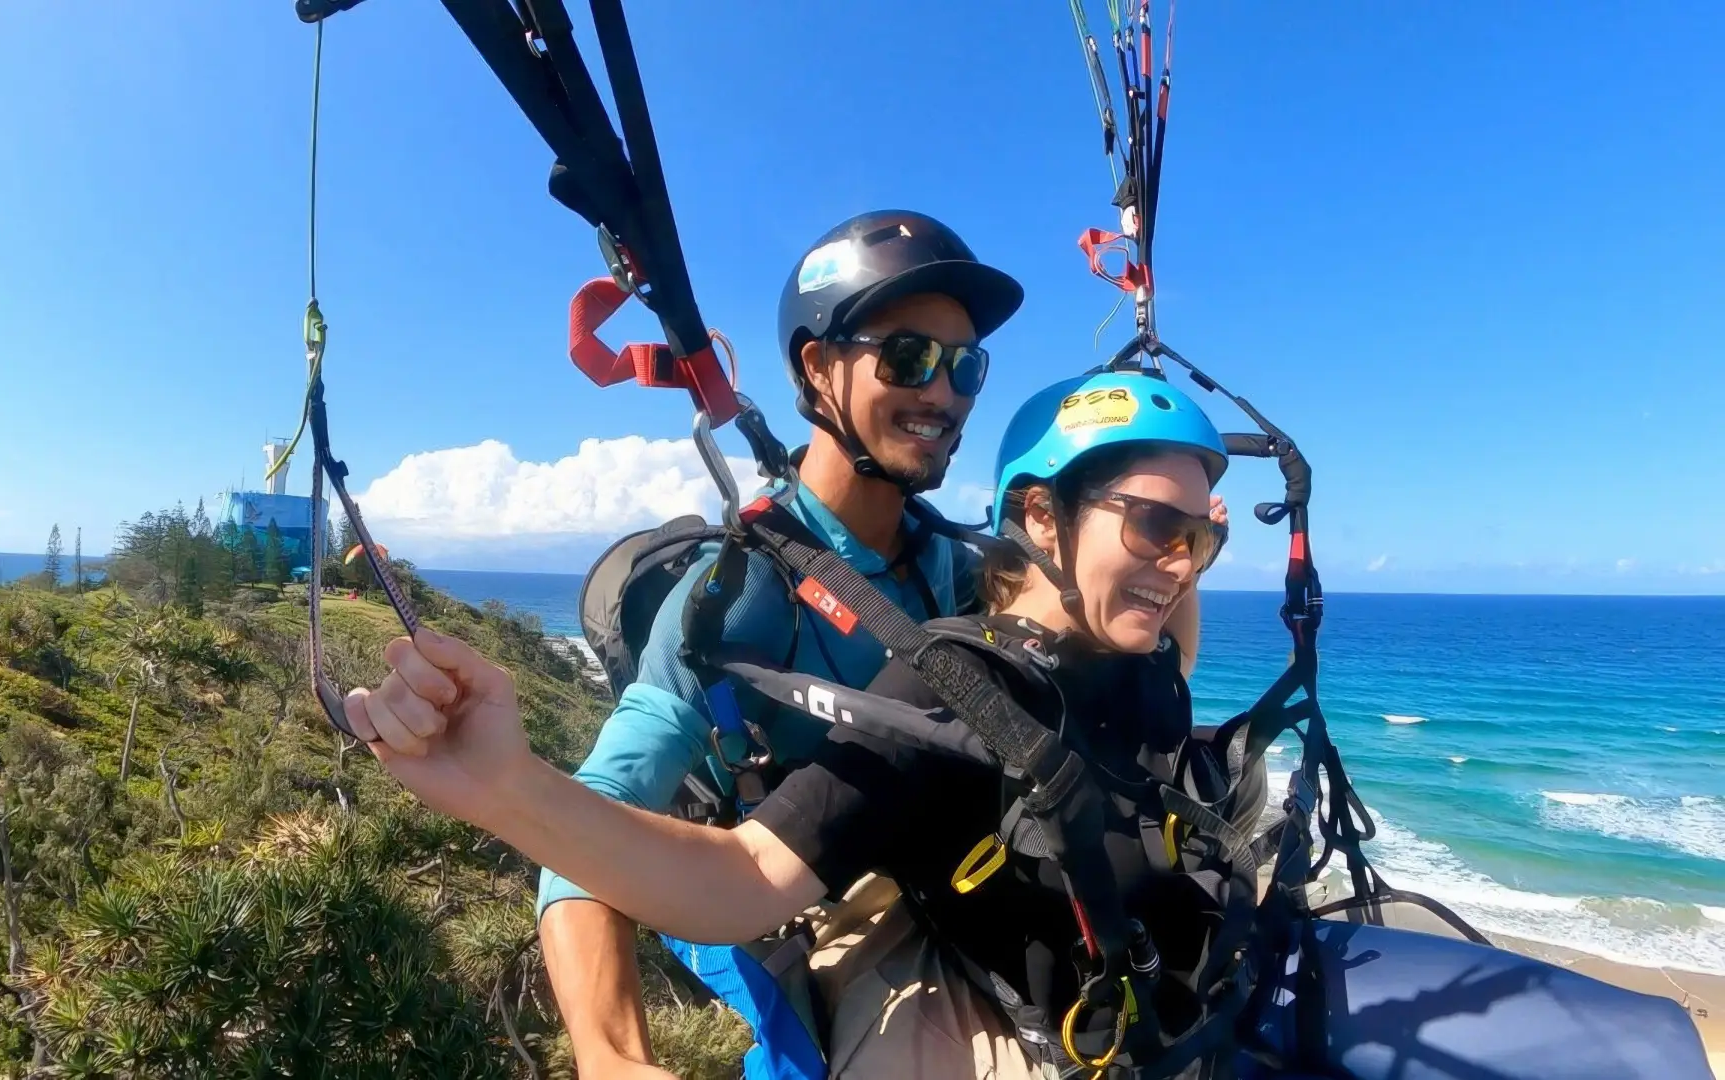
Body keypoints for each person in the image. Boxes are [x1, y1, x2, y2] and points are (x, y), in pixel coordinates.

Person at [343, 366, 1715, 1080]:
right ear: (1042, 522)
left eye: (1209, 534)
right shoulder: (949, 695)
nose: (1185, 561)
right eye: (1157, 527)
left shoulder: (1139, 648)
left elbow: (1154, 606)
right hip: (1097, 1022)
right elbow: (730, 884)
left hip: (1227, 973)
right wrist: (503, 783)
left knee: (1647, 1050)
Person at [534, 208, 1027, 1079]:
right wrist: (610, 1055)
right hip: (769, 894)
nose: (945, 395)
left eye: (966, 367)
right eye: (910, 356)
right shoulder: (735, 603)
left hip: (919, 875)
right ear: (817, 366)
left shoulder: (949, 564)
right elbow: (588, 821)